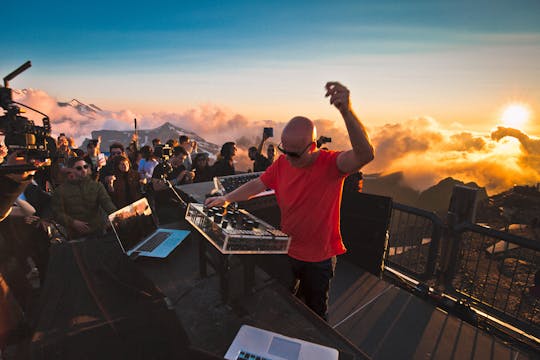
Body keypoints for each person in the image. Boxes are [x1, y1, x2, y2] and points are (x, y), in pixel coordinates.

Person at [206, 82, 374, 320]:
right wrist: (226, 198)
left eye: (295, 154)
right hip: (288, 250)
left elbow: (366, 154)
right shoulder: (283, 163)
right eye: (286, 151)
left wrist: (347, 112)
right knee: (289, 305)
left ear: (313, 146)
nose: (289, 159)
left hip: (319, 259)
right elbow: (258, 184)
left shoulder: (331, 164)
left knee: (315, 314)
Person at [51, 157, 117, 239]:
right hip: (75, 234)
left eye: (85, 167)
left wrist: (115, 217)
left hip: (98, 231)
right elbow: (57, 213)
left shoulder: (96, 186)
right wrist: (73, 222)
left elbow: (107, 203)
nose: (83, 170)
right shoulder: (60, 191)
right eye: (79, 168)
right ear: (71, 170)